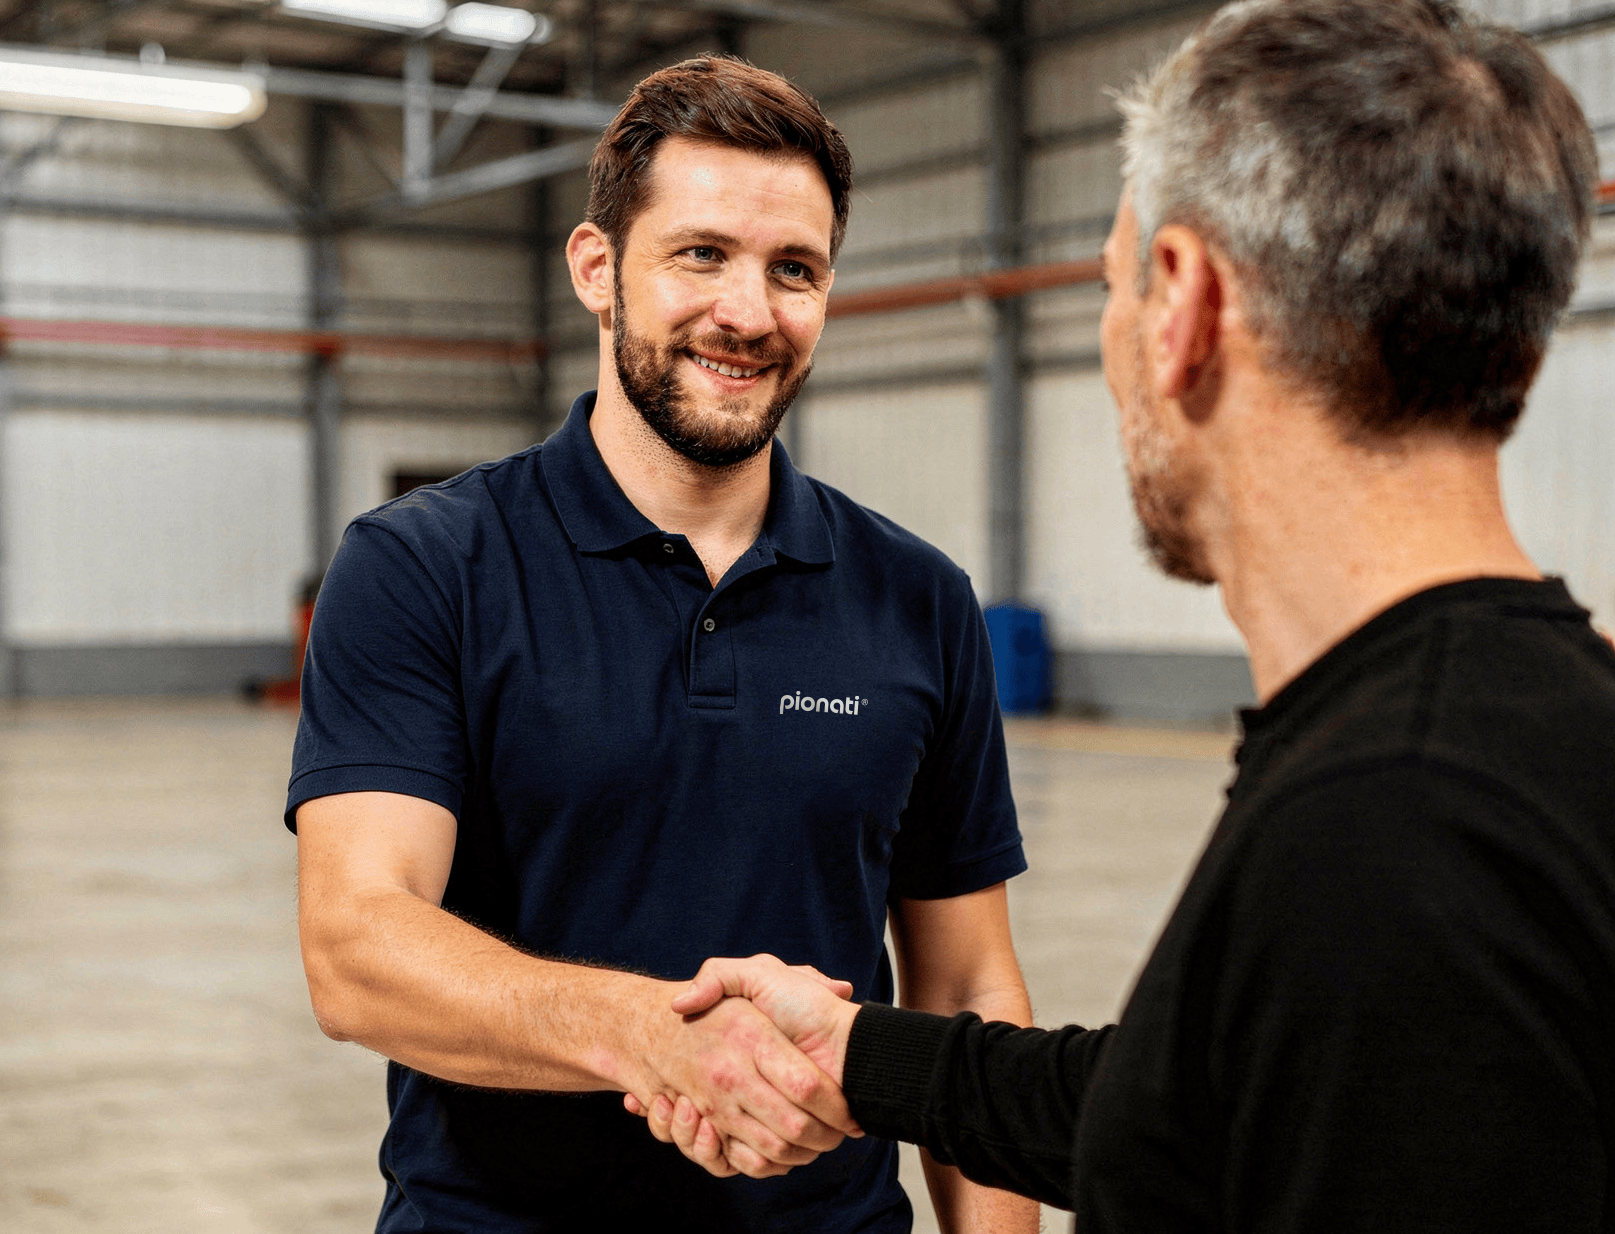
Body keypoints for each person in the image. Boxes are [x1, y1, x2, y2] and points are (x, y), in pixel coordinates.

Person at [632, 2, 1615, 1229]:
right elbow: (1218, 1107)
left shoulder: (1389, 834)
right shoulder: (1522, 733)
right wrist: (857, 1051)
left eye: (1108, 285)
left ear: (1182, 304)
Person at [285, 55, 1038, 1234]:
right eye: (701, 254)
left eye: (795, 269)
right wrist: (656, 1040)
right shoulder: (425, 565)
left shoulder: (918, 597)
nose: (747, 312)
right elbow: (357, 944)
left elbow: (966, 983)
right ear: (598, 269)